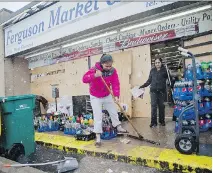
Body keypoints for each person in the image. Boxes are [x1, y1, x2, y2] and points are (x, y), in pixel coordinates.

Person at [82, 54, 127, 147]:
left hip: (107, 94)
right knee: (98, 115)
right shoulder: (94, 69)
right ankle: (98, 137)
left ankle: (118, 126)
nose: (109, 68)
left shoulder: (113, 71)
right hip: (95, 96)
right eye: (107, 66)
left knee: (113, 111)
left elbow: (115, 83)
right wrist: (94, 75)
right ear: (102, 64)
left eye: (110, 65)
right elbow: (84, 79)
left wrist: (116, 96)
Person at [139, 58, 169, 128]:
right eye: (156, 63)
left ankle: (162, 121)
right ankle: (153, 122)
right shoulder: (152, 70)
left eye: (158, 62)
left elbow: (169, 79)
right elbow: (149, 80)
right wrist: (143, 86)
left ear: (161, 63)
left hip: (161, 92)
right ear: (154, 64)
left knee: (161, 107)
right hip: (153, 91)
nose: (157, 64)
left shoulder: (164, 70)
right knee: (153, 107)